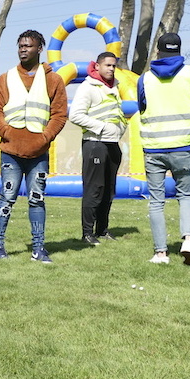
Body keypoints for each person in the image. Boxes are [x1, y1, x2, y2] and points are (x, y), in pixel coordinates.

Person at [0, 29, 68, 263]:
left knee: (37, 198)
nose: (23, 49)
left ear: (40, 48)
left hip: (39, 153)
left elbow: (60, 114)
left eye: (28, 46)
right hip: (11, 152)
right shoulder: (5, 78)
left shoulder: (53, 79)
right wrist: (7, 133)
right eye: (20, 46)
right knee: (7, 197)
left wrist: (45, 137)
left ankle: (39, 248)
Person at [137, 33, 190, 265]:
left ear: (158, 52)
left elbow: (142, 106)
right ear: (179, 51)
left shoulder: (144, 79)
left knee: (156, 201)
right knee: (185, 196)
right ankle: (189, 240)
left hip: (154, 149)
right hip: (184, 146)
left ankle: (161, 253)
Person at [69, 51, 128, 245]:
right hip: (95, 144)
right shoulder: (88, 87)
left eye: (114, 65)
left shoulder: (114, 87)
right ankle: (87, 233)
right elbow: (75, 115)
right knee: (94, 190)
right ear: (97, 66)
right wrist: (102, 128)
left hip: (113, 144)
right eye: (108, 65)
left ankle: (102, 230)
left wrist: (118, 131)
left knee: (109, 190)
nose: (111, 69)